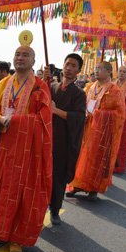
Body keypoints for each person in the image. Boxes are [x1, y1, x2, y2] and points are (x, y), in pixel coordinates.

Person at [0, 44, 52, 252]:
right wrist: (0, 119)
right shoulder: (2, 84)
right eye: (17, 54)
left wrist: (18, 122)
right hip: (4, 148)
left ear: (33, 61)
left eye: (25, 55)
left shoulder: (40, 88)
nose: (20, 58)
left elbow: (44, 121)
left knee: (24, 193)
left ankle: (17, 239)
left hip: (28, 152)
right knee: (1, 189)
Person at [67, 62, 126, 200]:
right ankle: (77, 185)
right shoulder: (90, 87)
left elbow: (120, 114)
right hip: (86, 127)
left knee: (97, 159)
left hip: (102, 132)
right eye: (96, 69)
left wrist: (99, 114)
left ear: (109, 72)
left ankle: (94, 188)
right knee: (81, 156)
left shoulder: (114, 90)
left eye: (100, 69)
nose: (96, 71)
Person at [45, 53, 86, 225]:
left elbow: (78, 118)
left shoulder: (79, 94)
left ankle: (55, 209)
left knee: (58, 176)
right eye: (67, 64)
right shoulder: (51, 86)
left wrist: (56, 111)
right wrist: (42, 82)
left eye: (73, 66)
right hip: (45, 136)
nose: (69, 68)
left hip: (63, 140)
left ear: (78, 71)